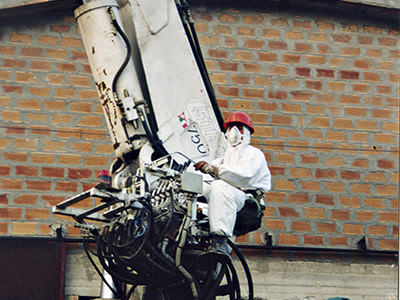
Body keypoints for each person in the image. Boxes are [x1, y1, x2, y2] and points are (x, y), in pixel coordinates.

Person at [194, 111, 271, 260]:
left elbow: (244, 176)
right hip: (227, 204)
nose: (234, 131)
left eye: (239, 127)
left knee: (220, 187)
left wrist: (214, 170)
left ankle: (220, 242)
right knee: (198, 189)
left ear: (247, 132)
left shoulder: (254, 155)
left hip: (248, 206)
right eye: (231, 127)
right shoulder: (220, 161)